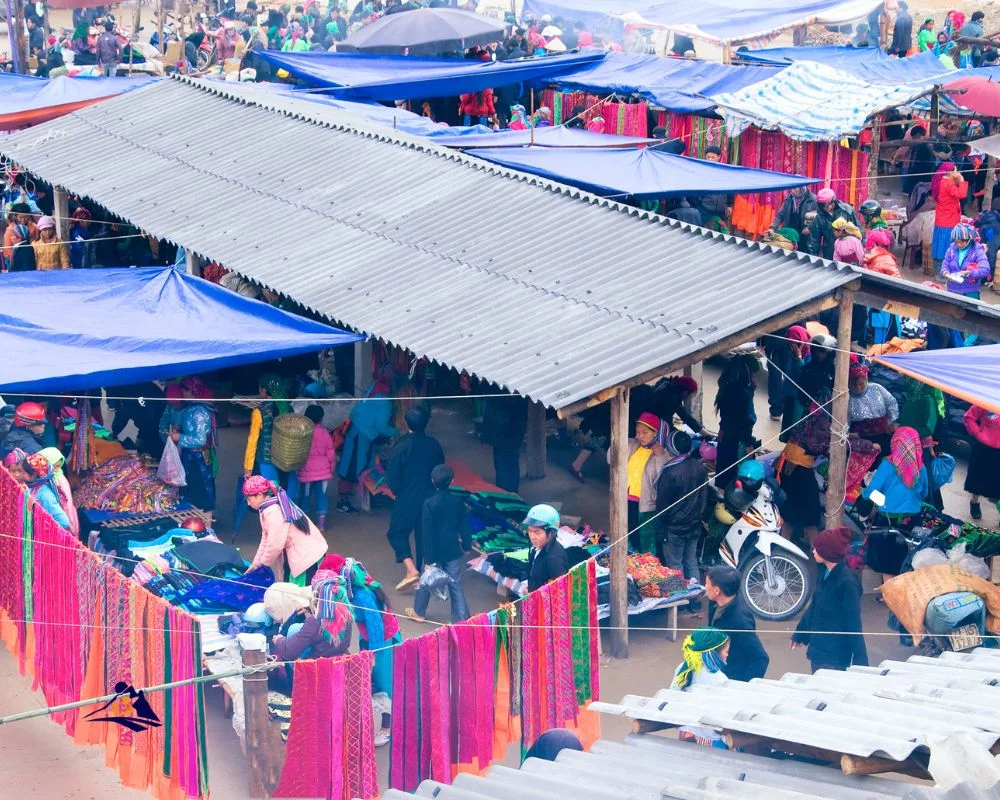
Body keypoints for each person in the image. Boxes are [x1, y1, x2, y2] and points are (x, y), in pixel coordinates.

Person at [385, 406, 445, 591]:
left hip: (407, 497)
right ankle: (424, 576)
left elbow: (392, 475)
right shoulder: (434, 445)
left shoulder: (401, 446)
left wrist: (396, 491)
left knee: (396, 532)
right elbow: (440, 470)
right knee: (423, 537)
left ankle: (411, 570)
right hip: (430, 497)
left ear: (405, 423)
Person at [792, 526, 867, 672]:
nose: (813, 551)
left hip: (835, 653)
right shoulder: (824, 572)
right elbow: (815, 606)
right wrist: (800, 633)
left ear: (828, 553)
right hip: (819, 647)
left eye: (817, 549)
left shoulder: (848, 582)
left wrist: (861, 661)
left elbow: (854, 623)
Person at [406, 464, 471, 623]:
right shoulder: (458, 502)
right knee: (455, 584)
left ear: (432, 481)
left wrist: (428, 560)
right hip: (452, 549)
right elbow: (464, 526)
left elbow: (426, 533)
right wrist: (467, 546)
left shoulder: (429, 503)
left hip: (433, 551)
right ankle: (460, 619)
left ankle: (419, 612)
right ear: (452, 481)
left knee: (426, 580)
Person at [861, 426, 928, 580]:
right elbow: (924, 492)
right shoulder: (921, 467)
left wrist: (866, 494)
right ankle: (901, 594)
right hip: (914, 519)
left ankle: (888, 596)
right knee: (906, 556)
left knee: (888, 561)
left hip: (888, 520)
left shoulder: (888, 466)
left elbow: (872, 492)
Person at [243, 475, 329, 584]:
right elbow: (265, 540)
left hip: (306, 558)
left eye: (249, 499)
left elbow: (274, 545)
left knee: (301, 596)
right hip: (302, 554)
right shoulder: (268, 506)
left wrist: (262, 568)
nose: (248, 503)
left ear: (260, 495)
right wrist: (255, 566)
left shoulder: (273, 512)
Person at [336, 370, 396, 515]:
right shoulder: (385, 402)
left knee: (355, 466)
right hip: (361, 435)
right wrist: (396, 432)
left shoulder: (375, 387)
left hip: (356, 430)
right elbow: (381, 426)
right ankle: (343, 502)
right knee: (351, 469)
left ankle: (351, 498)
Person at [654, 430, 707, 593]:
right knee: (691, 562)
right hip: (694, 525)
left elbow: (662, 505)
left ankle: (679, 601)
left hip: (674, 528)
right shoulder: (700, 467)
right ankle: (695, 599)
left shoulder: (669, 472)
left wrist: (660, 529)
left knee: (674, 565)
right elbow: (705, 496)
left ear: (671, 448)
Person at [705, 565, 768, 681]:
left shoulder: (739, 621)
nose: (705, 587)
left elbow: (760, 658)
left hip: (732, 676)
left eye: (707, 584)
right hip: (718, 668)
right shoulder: (715, 603)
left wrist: (743, 686)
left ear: (717, 590)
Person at [671, 627, 730, 746]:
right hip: (711, 740)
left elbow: (672, 694)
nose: (727, 655)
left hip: (686, 734)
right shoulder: (719, 679)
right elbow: (723, 715)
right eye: (726, 651)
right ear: (712, 653)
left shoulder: (683, 668)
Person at [171, 376, 217, 524]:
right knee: (191, 492)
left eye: (184, 390)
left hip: (199, 460)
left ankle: (206, 527)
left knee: (202, 493)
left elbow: (200, 439)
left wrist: (179, 437)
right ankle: (193, 524)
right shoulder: (192, 408)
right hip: (190, 458)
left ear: (192, 391)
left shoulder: (199, 412)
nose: (182, 393)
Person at [620, 412, 667, 552]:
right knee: (627, 533)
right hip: (626, 499)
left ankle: (648, 569)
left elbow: (663, 477)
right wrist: (621, 442)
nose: (640, 436)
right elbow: (611, 459)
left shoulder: (662, 453)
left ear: (655, 433)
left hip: (646, 503)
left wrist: (660, 456)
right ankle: (628, 563)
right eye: (638, 432)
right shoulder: (633, 445)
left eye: (645, 432)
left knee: (646, 539)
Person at [243, 373, 296, 490]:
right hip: (284, 459)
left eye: (260, 388)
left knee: (268, 495)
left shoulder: (258, 412)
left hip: (265, 459)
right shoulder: (289, 409)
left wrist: (248, 467)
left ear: (264, 390)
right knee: (282, 493)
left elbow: (252, 441)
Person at [714, 354, 759, 488]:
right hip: (737, 440)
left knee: (723, 472)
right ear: (749, 372)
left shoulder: (727, 386)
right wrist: (749, 444)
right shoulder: (744, 393)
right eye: (755, 374)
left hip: (724, 435)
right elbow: (746, 420)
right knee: (735, 476)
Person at [4, 449, 70, 529]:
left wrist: (41, 528)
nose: (20, 475)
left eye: (23, 472)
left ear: (34, 475)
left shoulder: (45, 495)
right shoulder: (33, 487)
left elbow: (64, 522)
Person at [296, 405, 335, 531]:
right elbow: (331, 453)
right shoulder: (325, 433)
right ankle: (322, 525)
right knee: (321, 496)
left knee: (305, 496)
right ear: (321, 419)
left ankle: (304, 525)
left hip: (306, 471)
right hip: (323, 472)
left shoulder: (302, 433)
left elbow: (297, 452)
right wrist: (331, 468)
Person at [848, 362, 898, 458]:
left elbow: (891, 403)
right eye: (854, 384)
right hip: (861, 438)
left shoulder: (876, 388)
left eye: (861, 384)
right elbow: (845, 421)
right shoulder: (846, 397)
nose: (858, 387)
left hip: (883, 432)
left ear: (866, 379)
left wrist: (891, 421)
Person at [480, 393, 528, 493]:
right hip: (509, 428)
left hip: (504, 428)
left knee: (504, 464)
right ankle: (510, 492)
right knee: (509, 462)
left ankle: (506, 493)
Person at [108, 381, 165, 457]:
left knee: (152, 448)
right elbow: (122, 414)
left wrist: (115, 432)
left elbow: (150, 420)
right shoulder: (124, 392)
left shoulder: (130, 392)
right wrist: (115, 431)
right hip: (148, 415)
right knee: (142, 446)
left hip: (157, 418)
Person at [964, 405, 1000, 521]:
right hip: (983, 447)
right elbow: (969, 417)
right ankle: (974, 502)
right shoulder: (987, 400)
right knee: (978, 479)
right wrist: (978, 433)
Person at [940, 222, 990, 299]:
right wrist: (945, 272)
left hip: (970, 291)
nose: (959, 245)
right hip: (952, 289)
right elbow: (945, 263)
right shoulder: (951, 250)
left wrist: (970, 273)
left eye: (962, 242)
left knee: (971, 310)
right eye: (956, 242)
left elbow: (985, 270)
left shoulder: (978, 251)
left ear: (969, 239)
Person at [525, 503, 568, 592]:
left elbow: (560, 592)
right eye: (530, 531)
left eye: (537, 532)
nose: (532, 537)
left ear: (551, 532)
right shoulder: (538, 548)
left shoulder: (555, 559)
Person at [931, 162, 969, 264]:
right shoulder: (948, 184)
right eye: (956, 170)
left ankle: (938, 269)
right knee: (946, 247)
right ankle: (942, 271)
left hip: (941, 218)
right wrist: (961, 181)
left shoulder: (940, 181)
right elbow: (961, 194)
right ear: (951, 173)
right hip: (949, 220)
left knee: (939, 245)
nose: (957, 172)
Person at [778, 325, 810, 441]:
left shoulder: (808, 357)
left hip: (799, 399)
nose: (792, 347)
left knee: (795, 429)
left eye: (796, 344)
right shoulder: (791, 356)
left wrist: (799, 358)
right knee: (787, 428)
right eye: (790, 344)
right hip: (789, 396)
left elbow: (803, 376)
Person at [39, 447, 80, 538]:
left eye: (58, 466)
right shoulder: (44, 477)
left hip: (62, 519)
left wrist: (71, 525)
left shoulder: (59, 479)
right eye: (54, 466)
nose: (56, 469)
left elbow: (66, 505)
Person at [812, 187, 858, 260]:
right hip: (829, 254)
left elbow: (858, 229)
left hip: (848, 252)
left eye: (825, 206)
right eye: (821, 206)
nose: (823, 209)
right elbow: (814, 240)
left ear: (832, 203)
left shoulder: (846, 211)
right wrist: (813, 257)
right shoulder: (819, 217)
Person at [770, 187, 818, 253]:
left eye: (795, 189)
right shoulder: (789, 199)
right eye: (791, 189)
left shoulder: (812, 200)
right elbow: (780, 215)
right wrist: (772, 228)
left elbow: (816, 218)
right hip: (790, 233)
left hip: (804, 234)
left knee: (802, 256)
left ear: (802, 188)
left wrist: (809, 228)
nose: (792, 191)